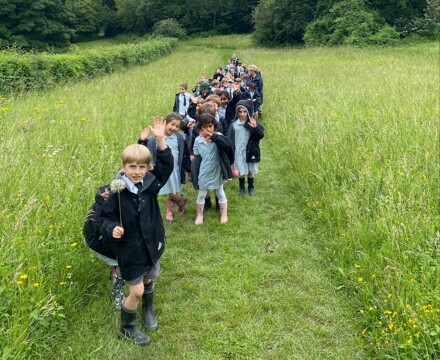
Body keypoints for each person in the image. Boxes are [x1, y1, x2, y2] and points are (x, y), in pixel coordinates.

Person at [100, 117, 173, 346]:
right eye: (132, 167)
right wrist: (112, 228)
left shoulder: (151, 184)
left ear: (148, 168)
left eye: (142, 167)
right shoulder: (115, 191)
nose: (137, 171)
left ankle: (148, 311)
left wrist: (160, 140)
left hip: (151, 244)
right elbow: (105, 217)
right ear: (123, 167)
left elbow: (166, 167)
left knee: (150, 278)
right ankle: (127, 327)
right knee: (137, 290)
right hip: (130, 249)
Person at [138, 113, 191, 223]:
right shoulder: (154, 139)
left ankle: (169, 211)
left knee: (172, 192)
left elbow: (184, 153)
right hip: (161, 170)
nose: (174, 128)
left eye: (177, 126)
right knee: (168, 191)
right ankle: (181, 200)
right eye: (172, 124)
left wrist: (188, 168)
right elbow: (144, 152)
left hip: (175, 169)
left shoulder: (179, 138)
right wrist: (142, 140)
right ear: (165, 123)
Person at [191, 113, 233, 224]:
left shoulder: (218, 136)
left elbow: (227, 145)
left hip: (217, 169)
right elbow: (197, 156)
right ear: (200, 128)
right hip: (205, 170)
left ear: (214, 126)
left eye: (210, 126)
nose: (208, 129)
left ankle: (224, 214)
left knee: (220, 192)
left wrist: (213, 136)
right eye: (205, 127)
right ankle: (199, 215)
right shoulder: (198, 140)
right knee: (202, 193)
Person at [228, 100, 264, 196]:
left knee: (250, 171)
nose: (242, 114)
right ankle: (242, 188)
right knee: (241, 171)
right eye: (240, 112)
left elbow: (260, 135)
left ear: (248, 112)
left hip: (250, 151)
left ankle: (251, 187)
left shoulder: (253, 123)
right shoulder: (234, 124)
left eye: (244, 112)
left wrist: (255, 127)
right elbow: (230, 139)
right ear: (237, 112)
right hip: (239, 152)